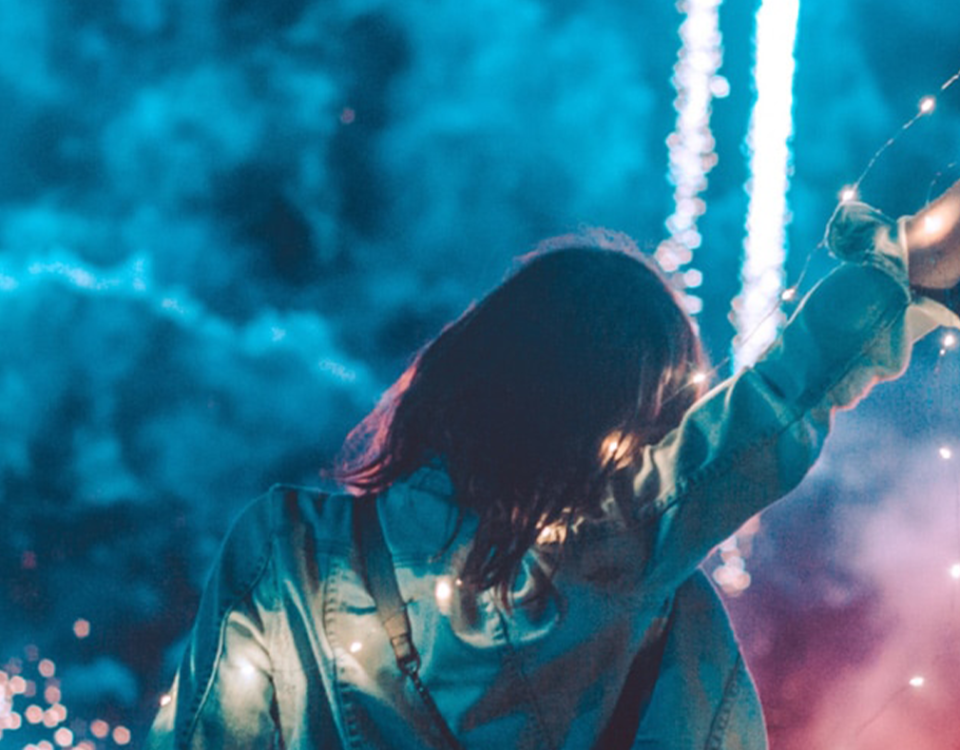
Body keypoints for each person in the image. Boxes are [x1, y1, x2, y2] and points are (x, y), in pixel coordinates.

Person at [146, 191, 960, 749]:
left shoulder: (285, 546)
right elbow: (777, 397)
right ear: (636, 424)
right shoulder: (619, 563)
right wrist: (903, 270)